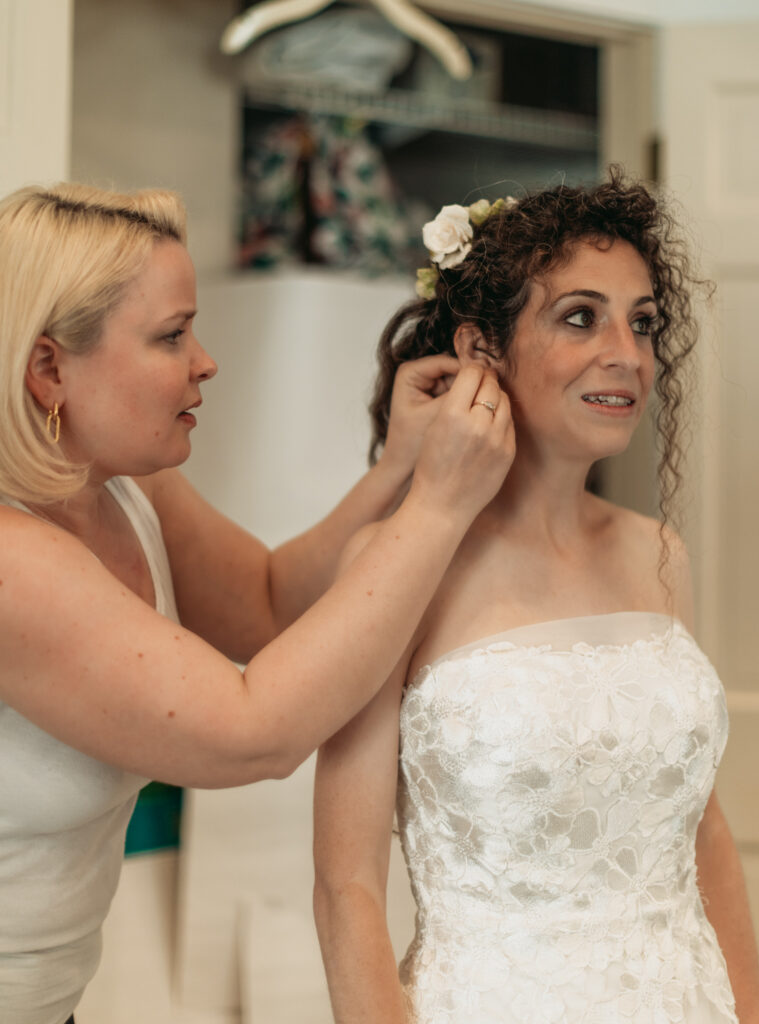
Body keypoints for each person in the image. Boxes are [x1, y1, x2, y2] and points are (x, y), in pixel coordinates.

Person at [0, 182, 515, 1024]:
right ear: (50, 366)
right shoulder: (11, 562)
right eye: (171, 336)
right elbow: (252, 734)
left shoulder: (127, 490)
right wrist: (441, 506)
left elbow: (269, 602)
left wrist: (399, 469)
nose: (205, 360)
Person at [312, 173, 759, 1023]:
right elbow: (345, 890)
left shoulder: (656, 553)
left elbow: (700, 832)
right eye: (579, 317)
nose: (627, 355)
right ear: (483, 348)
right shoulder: (393, 566)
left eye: (640, 323)